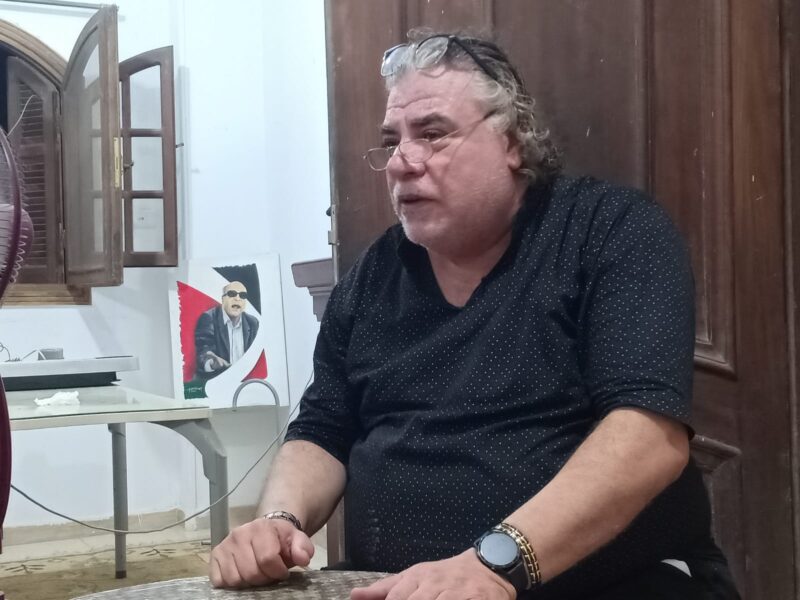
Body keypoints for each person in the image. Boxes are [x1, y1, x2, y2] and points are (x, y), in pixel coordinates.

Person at [209, 31, 740, 599]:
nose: (402, 162)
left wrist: (495, 563)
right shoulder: (372, 276)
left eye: (433, 134)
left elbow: (648, 436)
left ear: (512, 140)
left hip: (597, 583)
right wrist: (278, 522)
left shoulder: (608, 231)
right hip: (393, 587)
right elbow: (323, 429)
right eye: (392, 141)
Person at [194, 281, 259, 379]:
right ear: (223, 299)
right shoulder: (208, 318)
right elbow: (203, 351)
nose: (237, 298)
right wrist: (211, 363)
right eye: (232, 294)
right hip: (218, 380)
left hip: (245, 380)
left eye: (242, 295)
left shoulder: (253, 322)